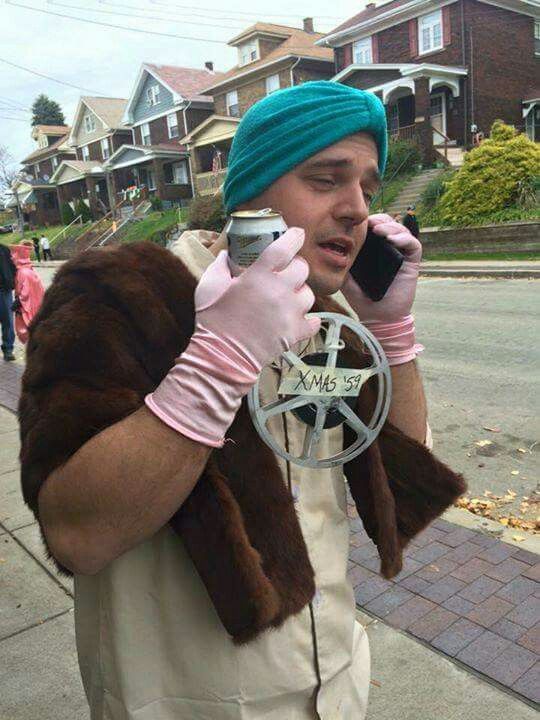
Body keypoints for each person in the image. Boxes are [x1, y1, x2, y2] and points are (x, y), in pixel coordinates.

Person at [19, 82, 464, 720]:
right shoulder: (115, 296)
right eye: (325, 179)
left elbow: (407, 496)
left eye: (368, 186)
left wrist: (392, 338)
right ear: (250, 190)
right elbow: (77, 535)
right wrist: (216, 365)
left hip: (334, 691)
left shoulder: (332, 325)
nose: (356, 209)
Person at [10, 243, 45, 344]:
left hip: (27, 307)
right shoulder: (28, 270)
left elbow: (25, 292)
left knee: (28, 329)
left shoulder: (23, 272)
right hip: (34, 306)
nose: (12, 258)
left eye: (14, 254)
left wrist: (18, 301)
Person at [0, 243, 16, 361]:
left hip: (4, 290)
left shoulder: (4, 249)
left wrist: (11, 281)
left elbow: (12, 266)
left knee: (8, 320)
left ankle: (8, 349)